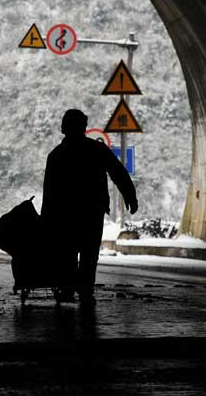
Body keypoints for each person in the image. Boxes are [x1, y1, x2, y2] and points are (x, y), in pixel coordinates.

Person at [41, 109, 138, 306]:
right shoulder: (97, 150)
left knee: (67, 252)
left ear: (63, 128)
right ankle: (86, 291)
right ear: (84, 127)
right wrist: (130, 195)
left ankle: (68, 289)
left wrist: (46, 217)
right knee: (89, 251)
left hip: (65, 214)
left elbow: (49, 190)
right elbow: (118, 172)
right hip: (92, 211)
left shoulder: (57, 155)